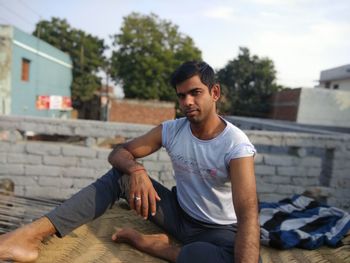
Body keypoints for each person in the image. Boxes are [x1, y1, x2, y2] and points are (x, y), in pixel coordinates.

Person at [0, 61, 260, 263]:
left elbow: (248, 212)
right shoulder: (171, 130)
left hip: (217, 230)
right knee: (120, 175)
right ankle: (29, 237)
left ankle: (153, 245)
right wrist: (136, 170)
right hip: (177, 215)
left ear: (214, 92)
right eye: (181, 96)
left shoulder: (235, 144)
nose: (187, 102)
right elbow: (118, 152)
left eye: (195, 93)